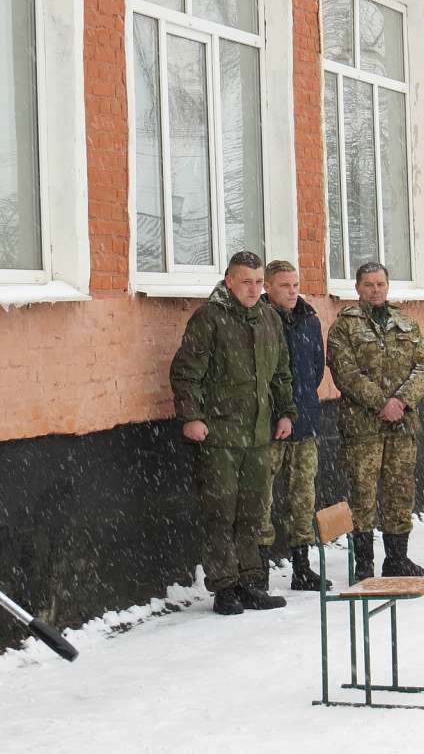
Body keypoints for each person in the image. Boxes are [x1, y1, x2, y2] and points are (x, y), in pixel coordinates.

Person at [170, 252, 297, 615]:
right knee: (221, 513)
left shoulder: (269, 318)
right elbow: (186, 372)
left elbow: (281, 373)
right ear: (229, 281)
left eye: (259, 282)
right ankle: (225, 587)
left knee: (253, 513)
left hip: (259, 434)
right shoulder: (209, 319)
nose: (254, 289)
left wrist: (286, 411)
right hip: (220, 435)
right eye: (246, 281)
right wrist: (191, 416)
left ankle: (250, 582)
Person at [326, 262, 424, 581]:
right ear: (358, 288)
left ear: (388, 286)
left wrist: (400, 402)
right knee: (362, 494)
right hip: (363, 427)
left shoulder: (405, 322)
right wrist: (381, 402)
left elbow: (423, 363)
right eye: (369, 284)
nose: (376, 290)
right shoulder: (344, 326)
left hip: (401, 425)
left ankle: (396, 559)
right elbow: (345, 373)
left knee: (399, 492)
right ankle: (364, 564)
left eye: (381, 284)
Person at [258, 260, 329, 591]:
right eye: (284, 285)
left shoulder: (309, 320)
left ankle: (302, 566)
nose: (292, 291)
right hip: (267, 427)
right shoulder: (257, 319)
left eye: (295, 285)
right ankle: (259, 570)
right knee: (263, 500)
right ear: (267, 287)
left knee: (303, 497)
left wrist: (302, 405)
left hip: (305, 421)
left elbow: (316, 368)